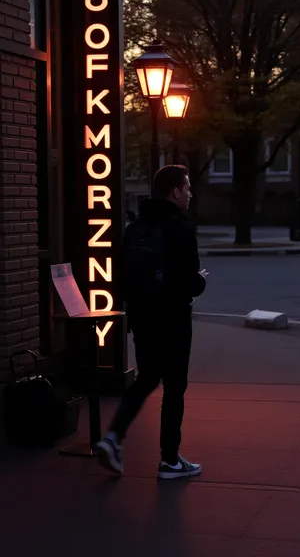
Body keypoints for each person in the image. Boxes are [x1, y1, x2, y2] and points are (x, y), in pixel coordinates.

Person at [95, 165, 207, 479]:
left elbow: (120, 276)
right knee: (174, 387)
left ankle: (113, 436)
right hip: (173, 320)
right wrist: (200, 282)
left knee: (145, 379)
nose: (190, 194)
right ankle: (170, 460)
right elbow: (189, 281)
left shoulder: (136, 227)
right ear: (175, 192)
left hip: (142, 318)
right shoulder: (180, 229)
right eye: (187, 189)